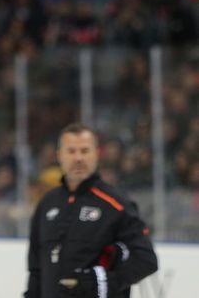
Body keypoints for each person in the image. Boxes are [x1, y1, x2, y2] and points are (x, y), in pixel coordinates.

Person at [24, 123, 158, 298]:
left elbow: (146, 259)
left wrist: (106, 283)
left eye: (84, 151)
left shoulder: (116, 205)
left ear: (96, 154)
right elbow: (36, 269)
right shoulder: (47, 204)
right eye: (71, 151)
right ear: (59, 156)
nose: (78, 158)